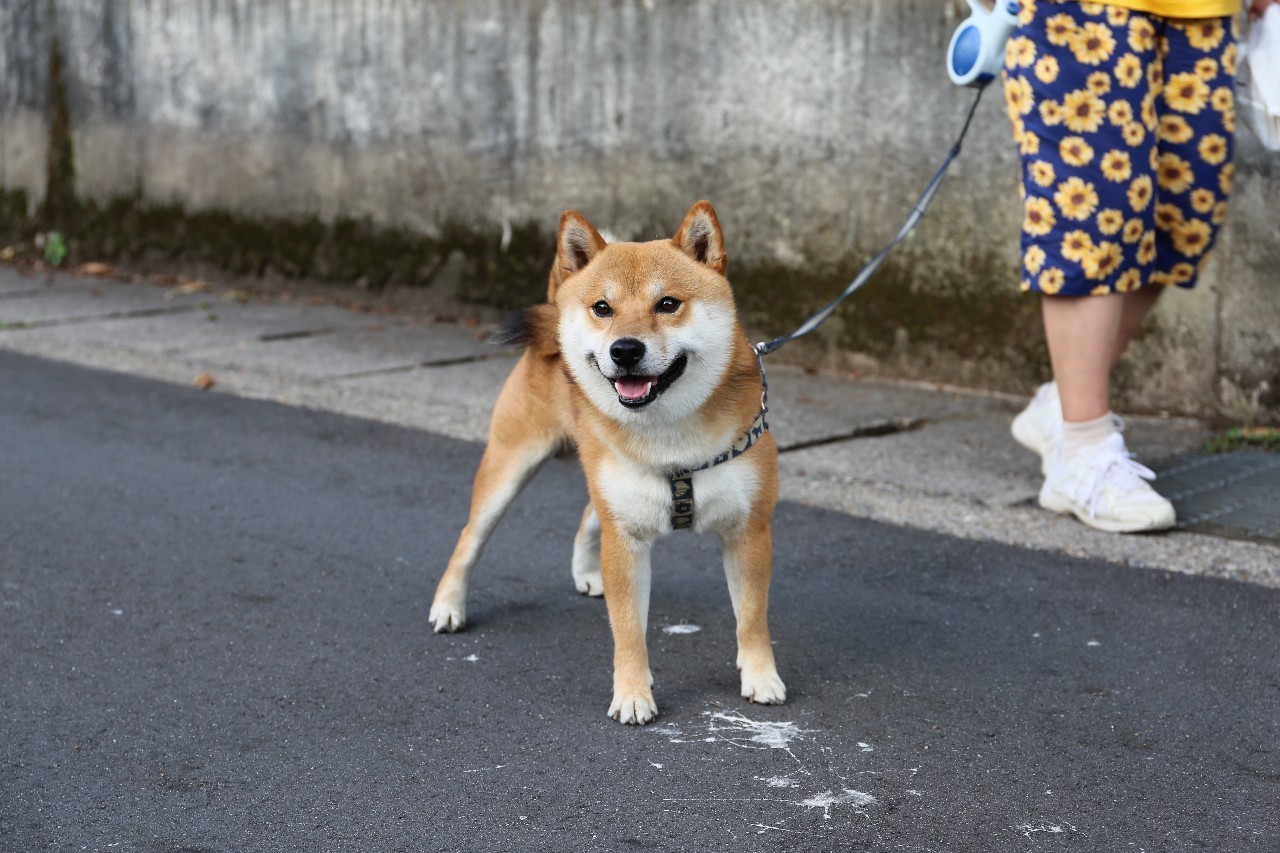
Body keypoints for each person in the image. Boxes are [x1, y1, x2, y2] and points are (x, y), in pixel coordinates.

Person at [1002, 0, 1277, 533]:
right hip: (1083, 12)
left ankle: (1061, 404)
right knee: (1092, 214)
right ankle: (1082, 449)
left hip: (1204, 12)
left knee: (1182, 217)